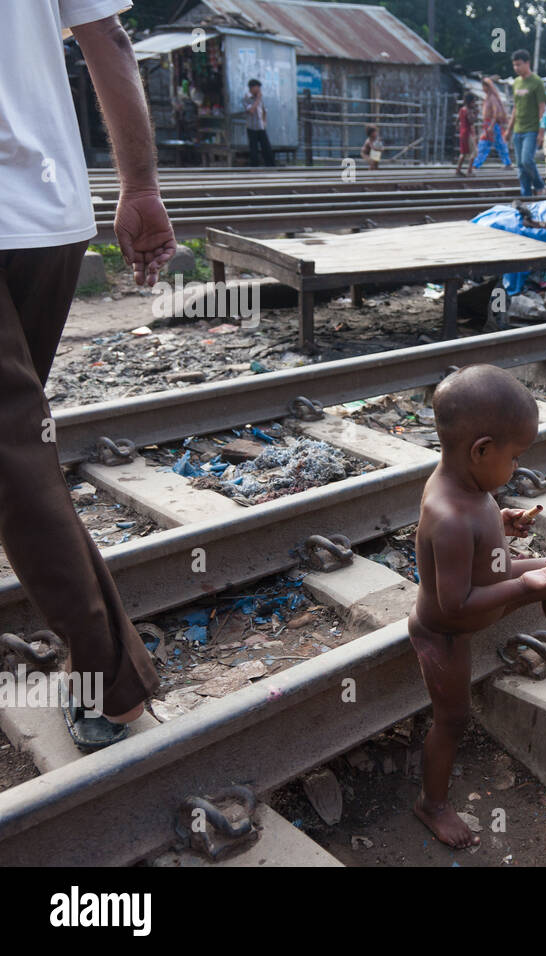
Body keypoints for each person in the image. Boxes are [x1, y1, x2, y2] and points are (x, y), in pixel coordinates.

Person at [2, 1, 173, 748]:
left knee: (11, 457)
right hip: (48, 216)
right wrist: (138, 185)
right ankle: (114, 672)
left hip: (35, 218)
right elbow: (107, 36)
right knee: (17, 454)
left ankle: (112, 684)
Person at [408, 365, 546, 848]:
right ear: (481, 449)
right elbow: (457, 602)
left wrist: (503, 524)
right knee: (452, 718)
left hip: (482, 583)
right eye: (514, 458)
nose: (515, 469)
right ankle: (433, 803)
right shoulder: (447, 514)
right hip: (445, 628)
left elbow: (480, 536)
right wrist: (523, 586)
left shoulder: (472, 485)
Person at [507, 50, 546, 197]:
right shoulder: (516, 83)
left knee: (527, 161)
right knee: (520, 167)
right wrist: (509, 129)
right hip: (518, 130)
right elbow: (515, 108)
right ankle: (526, 196)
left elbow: (542, 108)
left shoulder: (537, 82)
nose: (516, 68)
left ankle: (540, 185)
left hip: (532, 129)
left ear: (527, 63)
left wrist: (541, 131)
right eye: (514, 65)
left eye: (519, 65)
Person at [471, 78, 511, 170]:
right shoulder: (488, 98)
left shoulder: (492, 98)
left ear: (487, 87)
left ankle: (507, 163)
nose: (483, 89)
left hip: (492, 125)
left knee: (497, 144)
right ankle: (476, 164)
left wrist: (491, 126)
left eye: (484, 87)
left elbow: (496, 113)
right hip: (488, 125)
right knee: (486, 144)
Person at [242, 78, 274, 166]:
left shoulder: (260, 98)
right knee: (253, 148)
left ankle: (270, 165)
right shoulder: (246, 98)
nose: (259, 90)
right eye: (257, 87)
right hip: (251, 127)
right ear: (252, 88)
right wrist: (257, 100)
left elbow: (264, 110)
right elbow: (251, 111)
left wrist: (264, 121)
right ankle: (254, 167)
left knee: (266, 146)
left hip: (260, 126)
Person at [454, 97, 475, 176]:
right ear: (469, 102)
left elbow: (457, 120)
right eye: (473, 102)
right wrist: (475, 115)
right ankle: (469, 170)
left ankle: (458, 170)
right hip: (468, 133)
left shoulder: (462, 109)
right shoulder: (468, 110)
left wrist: (458, 127)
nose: (474, 104)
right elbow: (471, 121)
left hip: (462, 132)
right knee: (474, 151)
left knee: (463, 152)